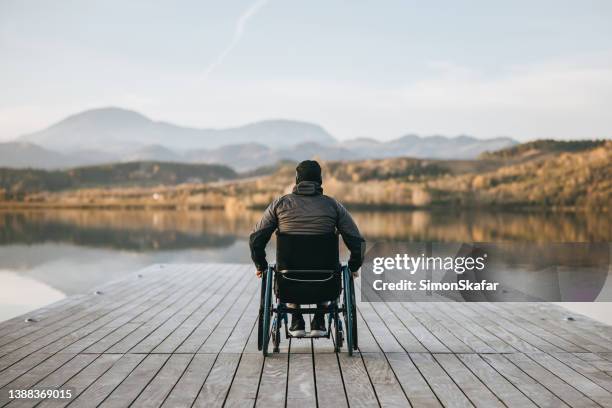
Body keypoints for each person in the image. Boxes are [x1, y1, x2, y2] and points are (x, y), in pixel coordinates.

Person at [249, 160, 365, 336]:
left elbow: (256, 239)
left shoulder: (280, 204)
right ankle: (319, 322)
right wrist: (354, 267)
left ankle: (296, 322)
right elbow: (357, 242)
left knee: (287, 268)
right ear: (320, 181)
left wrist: (261, 266)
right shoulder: (333, 206)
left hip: (288, 282)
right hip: (327, 282)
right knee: (326, 265)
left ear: (297, 179)